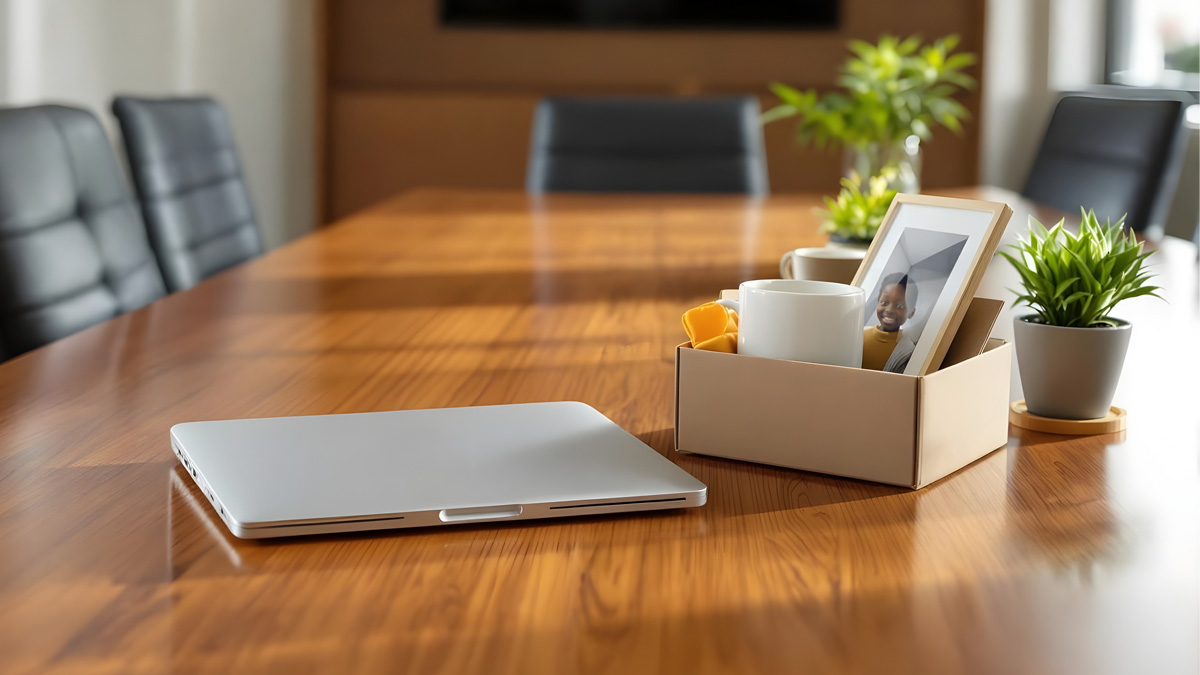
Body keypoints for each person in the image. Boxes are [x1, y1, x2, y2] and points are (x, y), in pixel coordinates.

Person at [862, 272, 918, 373]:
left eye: (900, 306)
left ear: (911, 313)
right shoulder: (860, 334)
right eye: (885, 302)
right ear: (878, 302)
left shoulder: (907, 350)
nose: (890, 310)